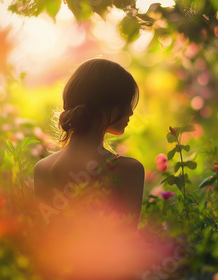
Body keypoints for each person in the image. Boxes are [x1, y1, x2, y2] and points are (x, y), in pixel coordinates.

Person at [33, 58, 144, 230]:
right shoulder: (128, 170)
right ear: (105, 105)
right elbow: (126, 242)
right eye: (125, 103)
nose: (130, 111)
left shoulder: (43, 168)